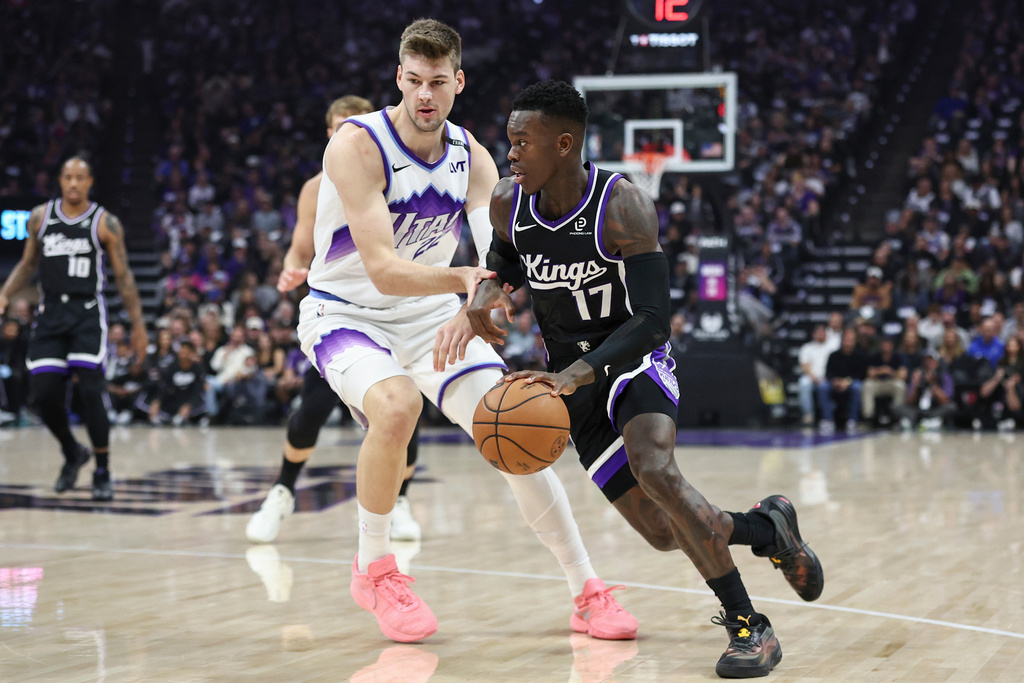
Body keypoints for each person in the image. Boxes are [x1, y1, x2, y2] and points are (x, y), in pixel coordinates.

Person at [455, 80, 822, 678]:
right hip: (569, 385)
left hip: (631, 364)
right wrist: (489, 289)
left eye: (523, 142)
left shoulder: (621, 205)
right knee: (660, 530)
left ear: (564, 144)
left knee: (656, 472)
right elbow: (503, 258)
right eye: (510, 142)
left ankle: (749, 627)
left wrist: (580, 370)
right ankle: (767, 527)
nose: (512, 153)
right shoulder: (507, 202)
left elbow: (654, 321)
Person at [295, 22, 636, 646]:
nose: (426, 96)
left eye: (438, 83)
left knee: (514, 428)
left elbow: (495, 258)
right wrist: (462, 284)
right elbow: (382, 270)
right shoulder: (356, 145)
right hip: (344, 313)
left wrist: (476, 305)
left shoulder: (472, 156)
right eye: (414, 82)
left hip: (429, 319)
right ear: (399, 78)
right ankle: (374, 569)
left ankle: (587, 590)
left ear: (458, 81)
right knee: (395, 408)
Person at [246, 95, 422, 545]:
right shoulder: (315, 187)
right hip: (340, 315)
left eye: (356, 125)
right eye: (340, 127)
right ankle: (283, 491)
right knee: (310, 412)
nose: (349, 134)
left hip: (392, 311)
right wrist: (291, 265)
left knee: (402, 411)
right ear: (330, 134)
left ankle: (399, 499)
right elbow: (300, 247)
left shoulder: (396, 175)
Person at [0, 157, 148, 501]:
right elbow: (27, 264)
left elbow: (124, 278)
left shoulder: (104, 223)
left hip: (86, 312)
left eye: (80, 178)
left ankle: (102, 470)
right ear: (60, 180)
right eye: (68, 177)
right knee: (42, 393)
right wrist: (5, 293)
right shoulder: (40, 217)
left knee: (91, 390)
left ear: (90, 182)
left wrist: (138, 325)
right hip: (51, 311)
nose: (73, 184)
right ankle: (72, 451)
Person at [822, 327, 868, 434]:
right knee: (823, 387)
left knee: (857, 387)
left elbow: (861, 374)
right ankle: (827, 420)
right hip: (835, 383)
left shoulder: (859, 356)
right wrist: (835, 381)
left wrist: (847, 382)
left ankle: (852, 420)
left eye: (851, 340)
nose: (848, 343)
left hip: (851, 383)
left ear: (854, 341)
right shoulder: (833, 355)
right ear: (842, 340)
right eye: (846, 340)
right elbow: (829, 373)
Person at [861, 336, 907, 426]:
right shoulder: (875, 356)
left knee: (900, 385)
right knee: (867, 385)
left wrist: (891, 372)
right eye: (884, 343)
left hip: (892, 382)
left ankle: (896, 416)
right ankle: (868, 416)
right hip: (878, 383)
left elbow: (903, 375)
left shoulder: (898, 356)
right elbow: (869, 374)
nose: (886, 346)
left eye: (888, 344)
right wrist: (880, 371)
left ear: (892, 345)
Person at [796, 324, 833, 427]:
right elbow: (805, 366)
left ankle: (827, 417)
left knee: (824, 386)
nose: (821, 334)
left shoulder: (831, 347)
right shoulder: (807, 348)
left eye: (823, 332)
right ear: (813, 334)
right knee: (804, 383)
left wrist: (827, 377)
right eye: (818, 332)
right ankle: (808, 414)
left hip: (827, 377)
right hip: (812, 377)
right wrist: (813, 377)